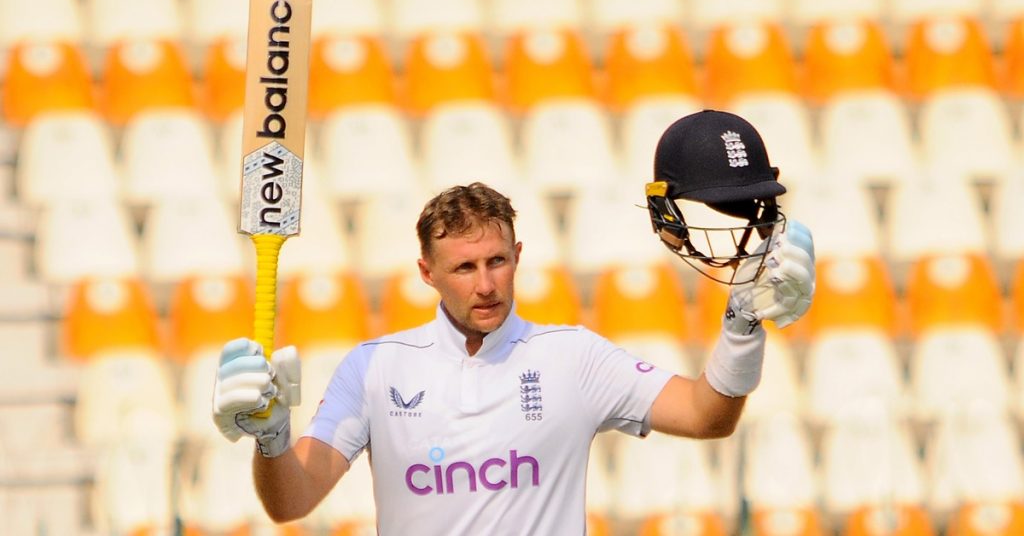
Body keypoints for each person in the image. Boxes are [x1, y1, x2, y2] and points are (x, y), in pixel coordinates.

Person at [212, 109, 816, 535]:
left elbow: (707, 417)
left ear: (518, 257)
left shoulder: (573, 358)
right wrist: (272, 440)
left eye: (498, 261)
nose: (485, 283)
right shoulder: (374, 367)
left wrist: (742, 324)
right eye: (464, 267)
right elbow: (291, 501)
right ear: (426, 273)